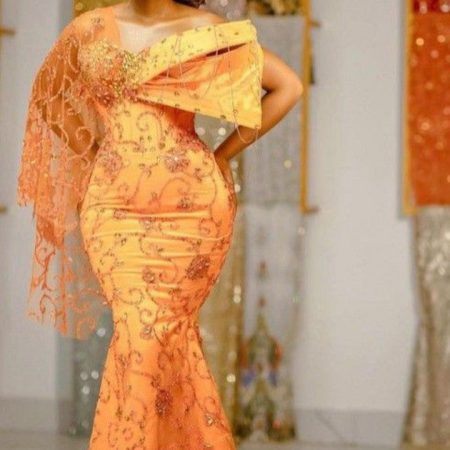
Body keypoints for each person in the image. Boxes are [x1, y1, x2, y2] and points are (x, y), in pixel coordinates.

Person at [16, 0, 302, 448]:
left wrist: (220, 156)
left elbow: (288, 86)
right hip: (113, 211)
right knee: (142, 332)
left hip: (190, 211)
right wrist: (97, 153)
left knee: (157, 335)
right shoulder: (90, 27)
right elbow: (48, 95)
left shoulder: (206, 28)